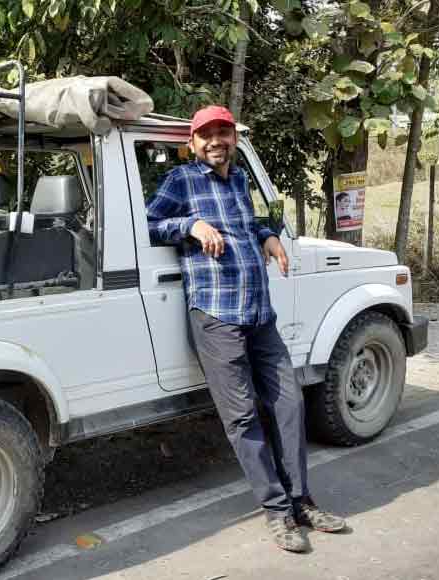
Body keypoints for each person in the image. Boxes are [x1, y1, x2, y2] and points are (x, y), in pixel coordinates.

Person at [146, 105, 345, 553]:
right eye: (207, 135)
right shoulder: (182, 181)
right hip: (217, 316)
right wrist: (190, 225)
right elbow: (148, 224)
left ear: (233, 138)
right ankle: (277, 511)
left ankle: (302, 501)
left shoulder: (238, 178)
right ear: (193, 144)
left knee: (289, 404)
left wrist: (266, 236)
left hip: (259, 313)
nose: (216, 141)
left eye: (223, 133)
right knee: (242, 417)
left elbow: (244, 224)